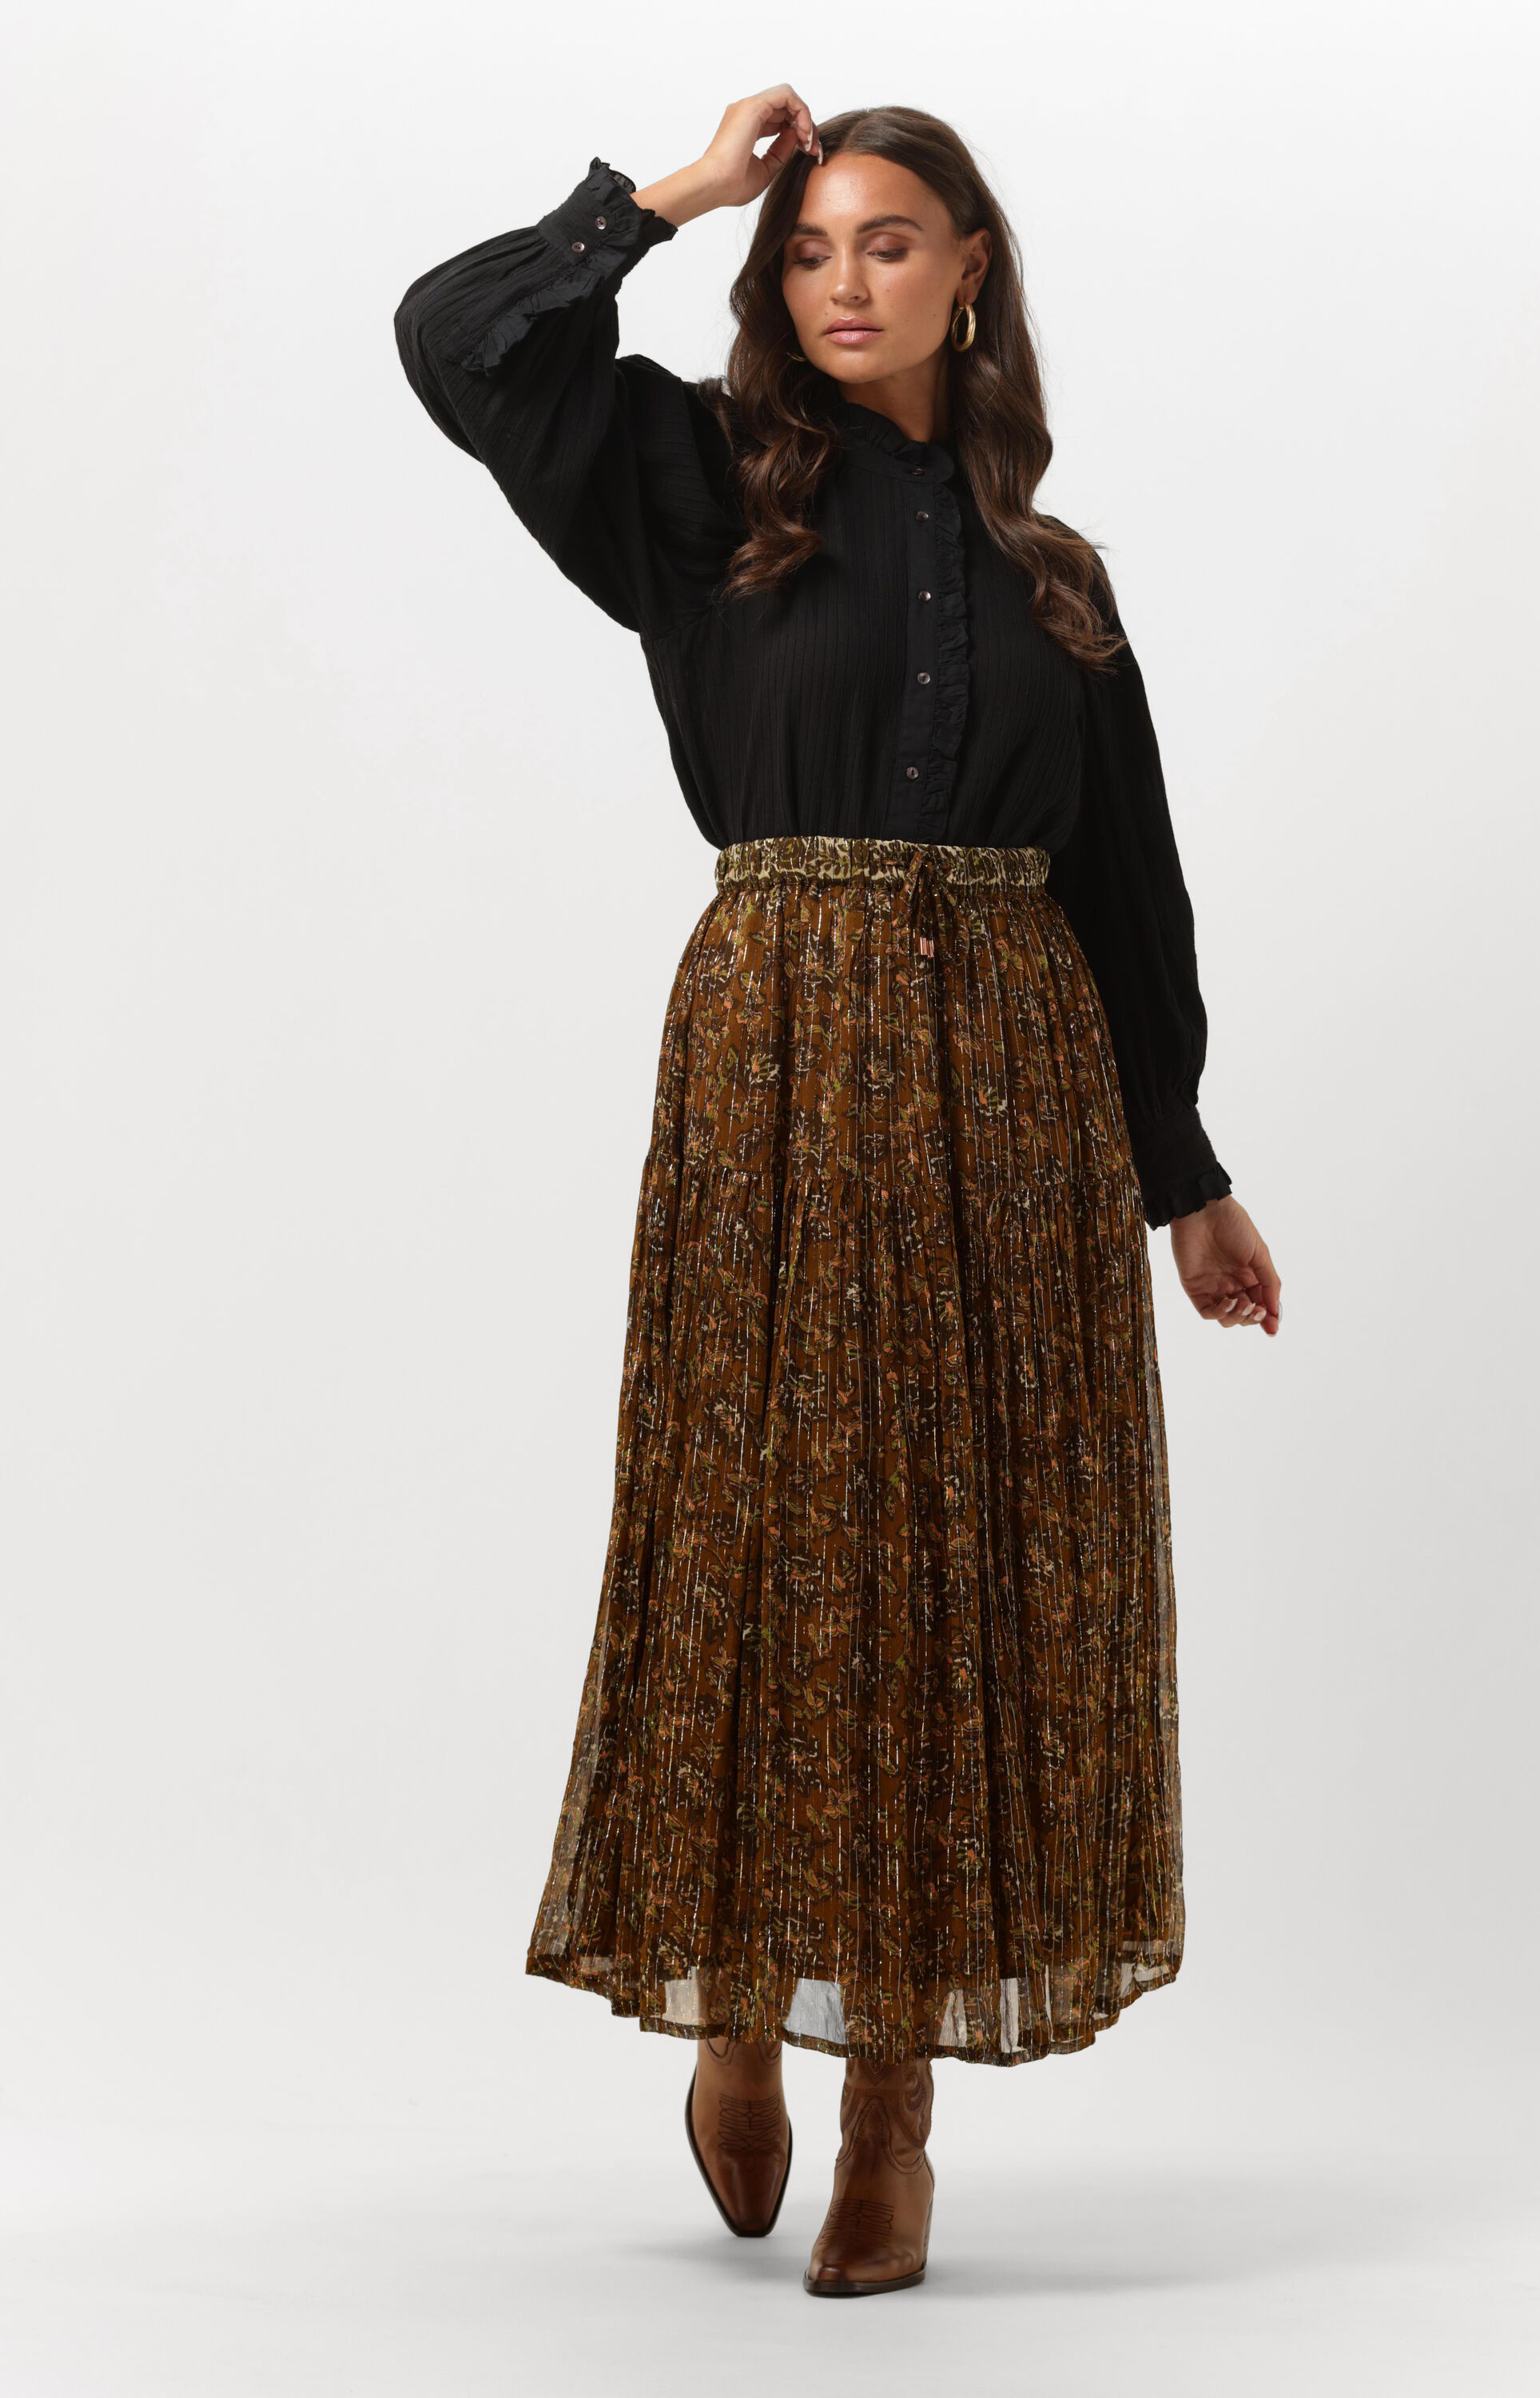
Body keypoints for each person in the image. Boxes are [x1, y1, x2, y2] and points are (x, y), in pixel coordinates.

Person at [394, 86, 1280, 2300]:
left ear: (970, 272)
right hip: (777, 1063)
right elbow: (455, 339)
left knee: (959, 1562)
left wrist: (1184, 1176)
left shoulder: (1057, 578)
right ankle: (733, 2000)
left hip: (1011, 1089)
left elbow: (1130, 891)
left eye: (888, 242)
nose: (844, 281)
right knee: (765, 1540)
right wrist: (671, 193)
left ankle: (891, 2107)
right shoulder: (699, 489)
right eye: (806, 250)